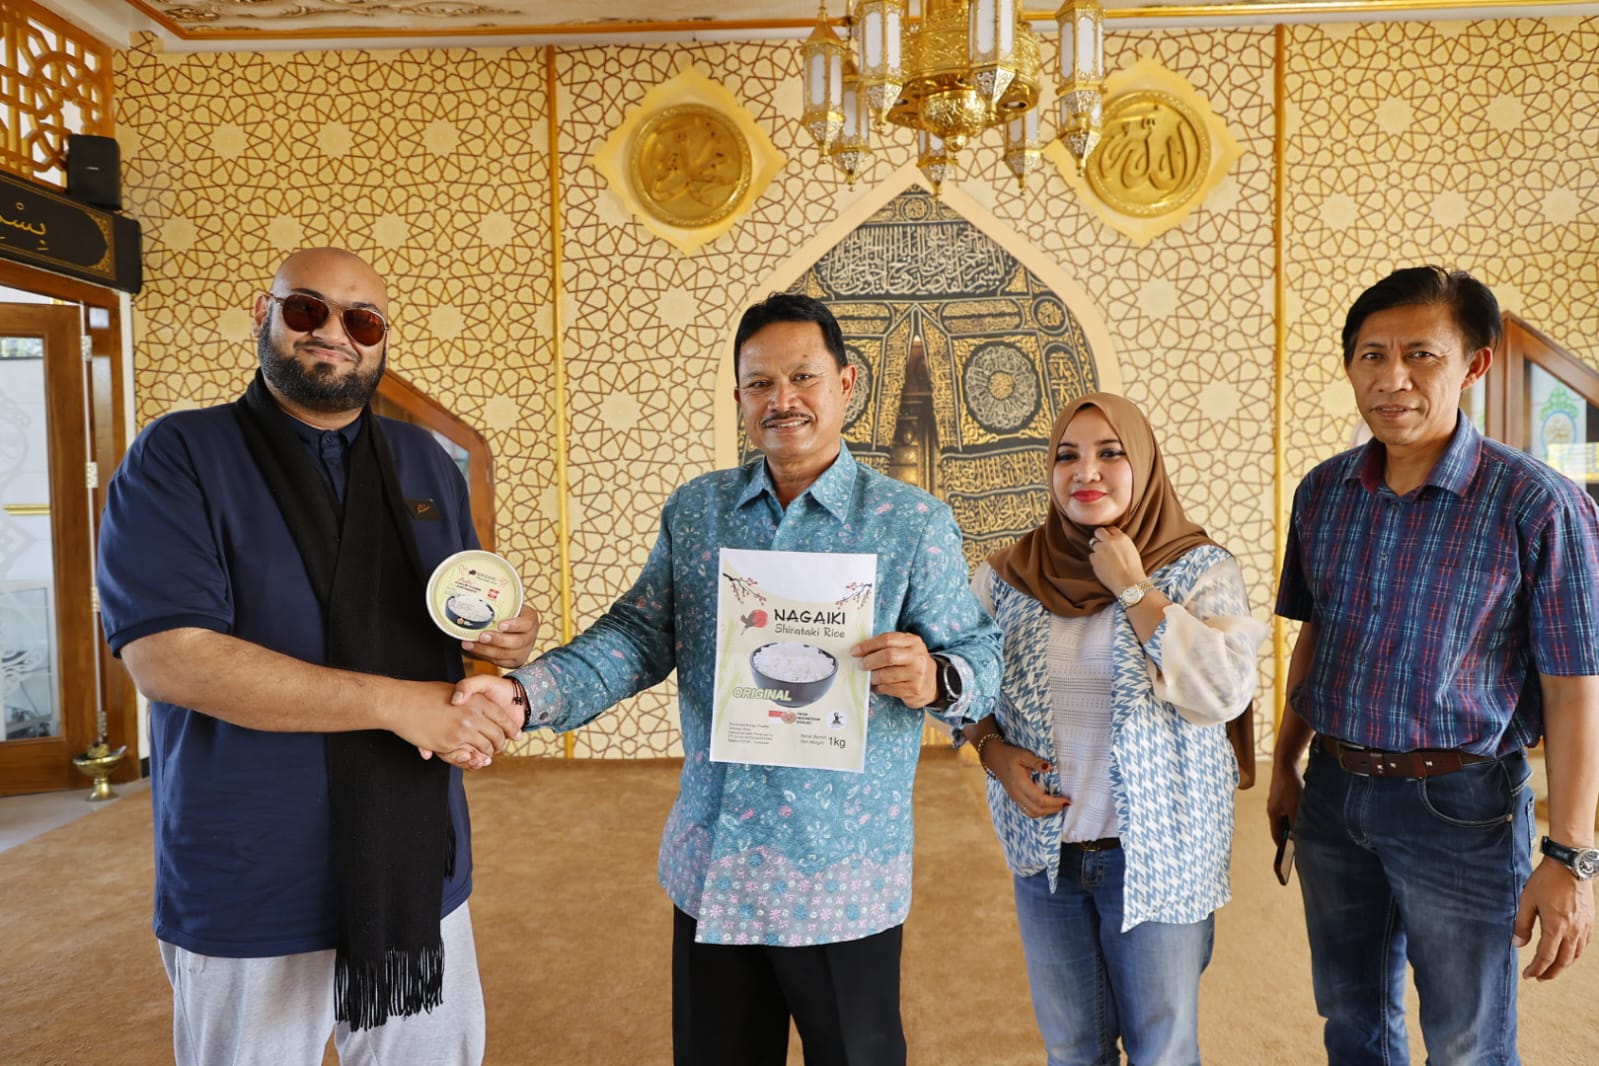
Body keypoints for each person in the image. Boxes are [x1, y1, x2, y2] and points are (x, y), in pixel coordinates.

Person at [456, 291, 1003, 1066]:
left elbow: (980, 659)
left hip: (838, 875)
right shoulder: (698, 511)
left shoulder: (909, 523)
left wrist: (933, 676)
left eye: (803, 377)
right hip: (716, 861)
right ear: (740, 396)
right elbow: (637, 637)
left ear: (846, 384)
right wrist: (524, 693)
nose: (782, 400)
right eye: (759, 383)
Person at [96, 248, 538, 1065]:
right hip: (251, 860)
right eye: (307, 309)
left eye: (362, 320)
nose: (334, 332)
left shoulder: (424, 462)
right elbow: (170, 659)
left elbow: (457, 611)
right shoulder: (180, 454)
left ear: (382, 340)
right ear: (262, 315)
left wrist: (500, 639)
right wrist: (396, 704)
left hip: (412, 855)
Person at [1269, 265, 1599, 1064]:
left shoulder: (1535, 503)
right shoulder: (1323, 492)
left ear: (1472, 364)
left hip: (1459, 806)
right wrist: (1284, 763)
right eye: (1371, 355)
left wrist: (1569, 855)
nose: (1392, 379)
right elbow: (1315, 638)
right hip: (1334, 794)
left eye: (1420, 355)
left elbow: (1572, 689)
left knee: (1465, 1042)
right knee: (1350, 1022)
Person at [961, 392, 1265, 1066]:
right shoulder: (1008, 575)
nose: (1085, 471)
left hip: (1159, 851)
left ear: (1144, 463)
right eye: (1066, 456)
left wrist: (1133, 589)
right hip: (1048, 854)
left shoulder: (1197, 568)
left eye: (1109, 453)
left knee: (1161, 1050)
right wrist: (992, 752)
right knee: (1072, 1048)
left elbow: (1222, 692)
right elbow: (962, 683)